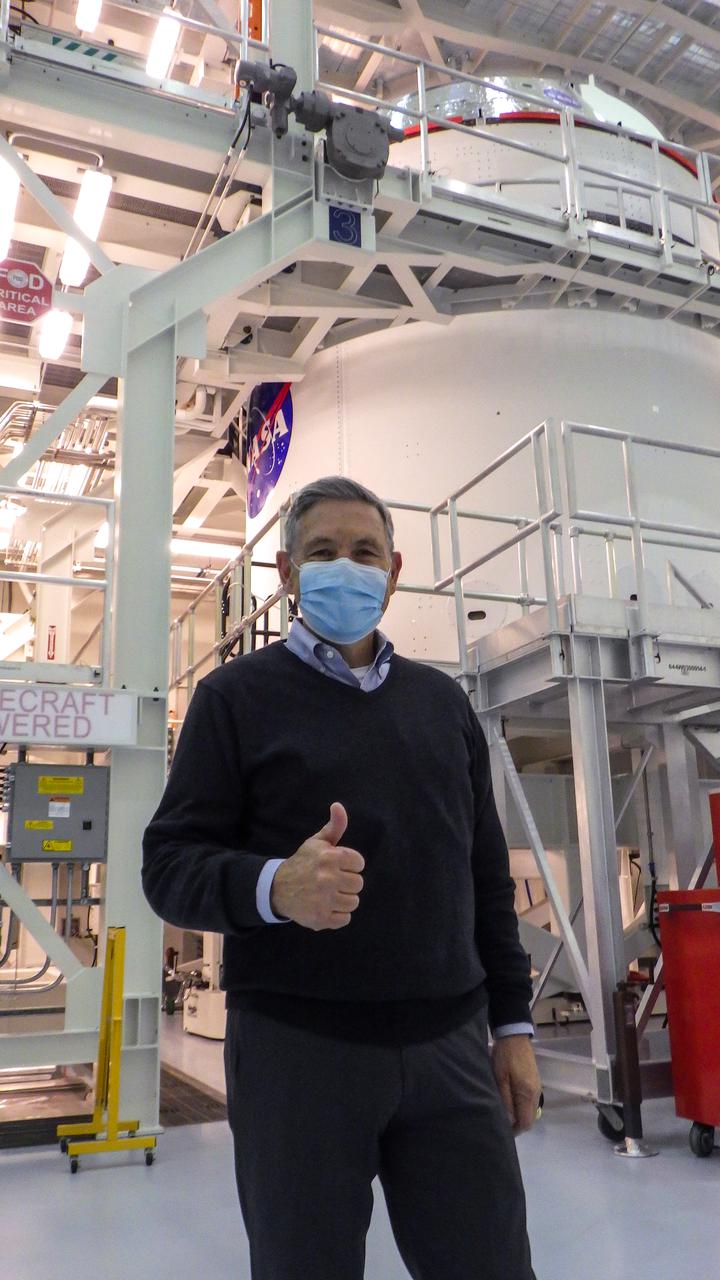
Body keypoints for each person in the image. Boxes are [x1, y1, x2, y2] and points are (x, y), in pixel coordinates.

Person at [142, 475, 541, 1280]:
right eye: (323, 552)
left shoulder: (443, 704)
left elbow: (485, 878)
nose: (346, 567)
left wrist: (513, 1029)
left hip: (451, 1048)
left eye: (365, 552)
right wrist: (273, 888)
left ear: (394, 572)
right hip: (299, 1055)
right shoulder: (233, 699)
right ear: (288, 572)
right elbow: (169, 865)